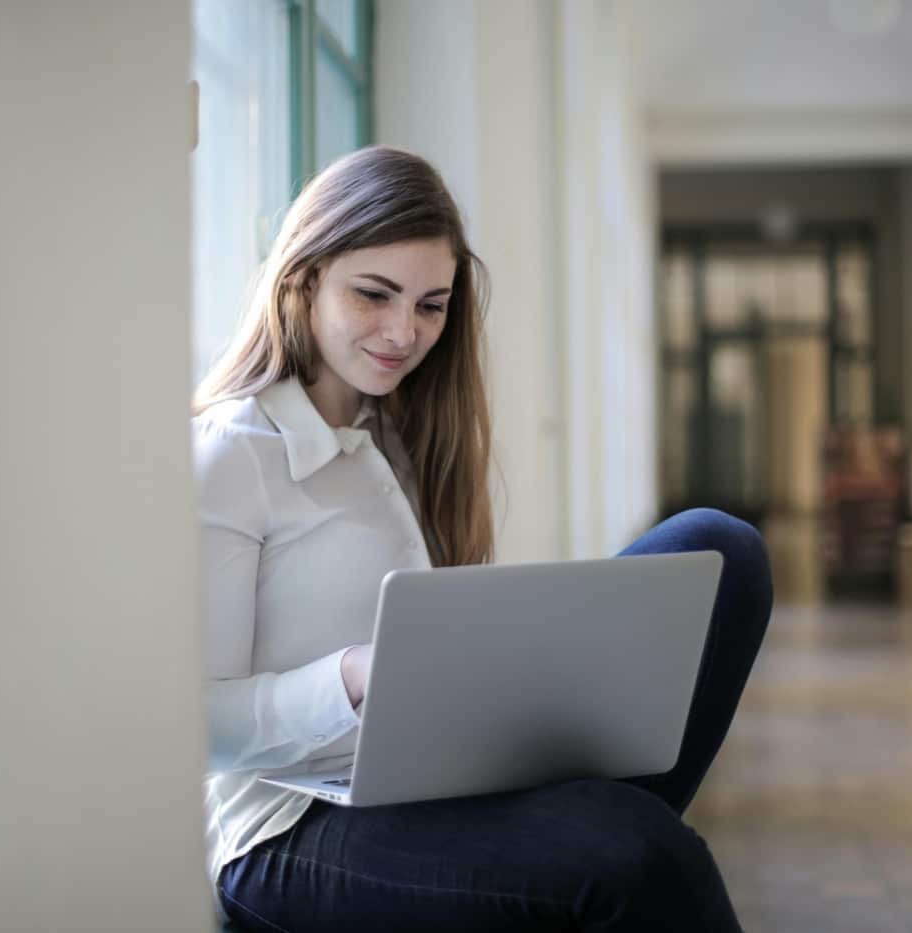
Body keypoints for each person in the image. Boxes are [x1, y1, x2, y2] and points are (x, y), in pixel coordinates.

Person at [192, 145, 773, 932]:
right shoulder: (234, 451)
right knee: (641, 849)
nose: (405, 331)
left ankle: (602, 850)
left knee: (721, 547)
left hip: (422, 771)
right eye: (374, 294)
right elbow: (201, 724)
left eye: (432, 304)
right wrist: (355, 675)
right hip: (284, 832)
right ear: (303, 281)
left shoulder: (392, 434)